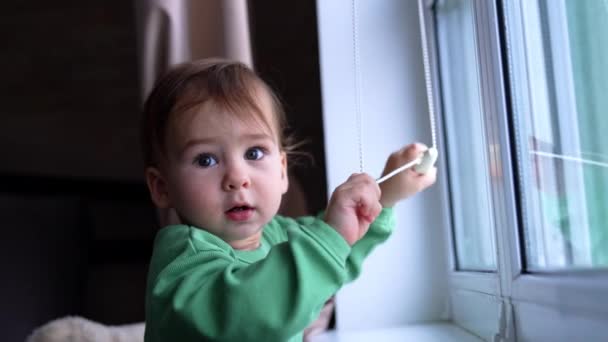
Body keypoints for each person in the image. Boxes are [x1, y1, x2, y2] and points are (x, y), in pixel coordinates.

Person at [140, 58, 436, 342]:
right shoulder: (181, 261)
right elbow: (255, 312)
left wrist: (385, 196)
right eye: (205, 159)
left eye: (254, 153)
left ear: (282, 171)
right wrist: (329, 236)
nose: (237, 177)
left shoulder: (279, 235)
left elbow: (337, 250)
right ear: (162, 187)